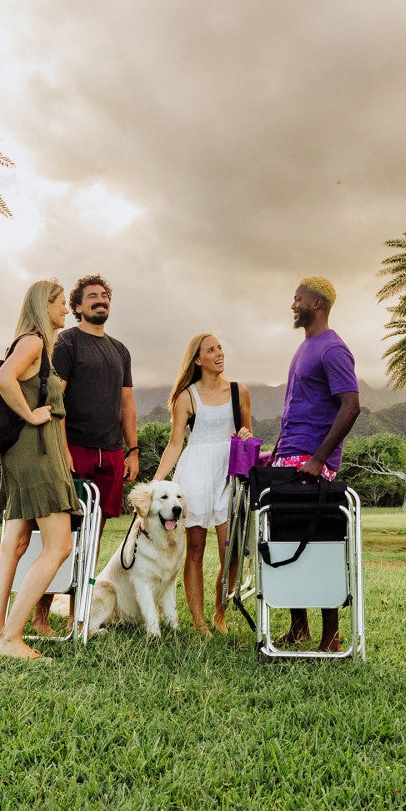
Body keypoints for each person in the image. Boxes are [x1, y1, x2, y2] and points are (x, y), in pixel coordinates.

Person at [32, 273, 136, 635]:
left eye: (105, 295)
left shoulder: (120, 350)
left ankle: (80, 617)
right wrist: (62, 450)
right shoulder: (68, 343)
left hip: (111, 452)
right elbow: (55, 397)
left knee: (93, 536)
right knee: (64, 535)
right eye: (92, 296)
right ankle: (41, 617)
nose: (100, 300)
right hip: (73, 448)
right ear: (77, 306)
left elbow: (127, 404)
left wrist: (132, 450)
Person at [0, 280, 75, 661]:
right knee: (59, 546)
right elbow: (4, 378)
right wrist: (29, 413)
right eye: (61, 304)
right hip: (35, 454)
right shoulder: (33, 341)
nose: (66, 311)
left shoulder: (35, 344)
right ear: (45, 305)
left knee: (15, 546)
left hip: (27, 452)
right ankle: (10, 638)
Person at [268, 276, 360, 653]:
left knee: (318, 543)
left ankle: (331, 637)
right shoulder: (304, 347)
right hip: (288, 458)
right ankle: (299, 628)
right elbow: (294, 409)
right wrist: (274, 454)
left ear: (316, 304)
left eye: (298, 298)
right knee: (287, 540)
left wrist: (318, 459)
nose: (293, 304)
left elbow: (351, 406)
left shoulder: (332, 349)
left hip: (312, 463)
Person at [151, 333, 253, 633]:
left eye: (220, 347)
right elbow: (174, 444)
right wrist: (157, 481)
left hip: (228, 474)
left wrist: (246, 438)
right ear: (198, 359)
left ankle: (219, 613)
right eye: (211, 350)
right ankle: (198, 623)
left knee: (231, 550)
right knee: (194, 550)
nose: (219, 353)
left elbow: (248, 435)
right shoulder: (187, 396)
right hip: (195, 472)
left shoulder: (239, 391)